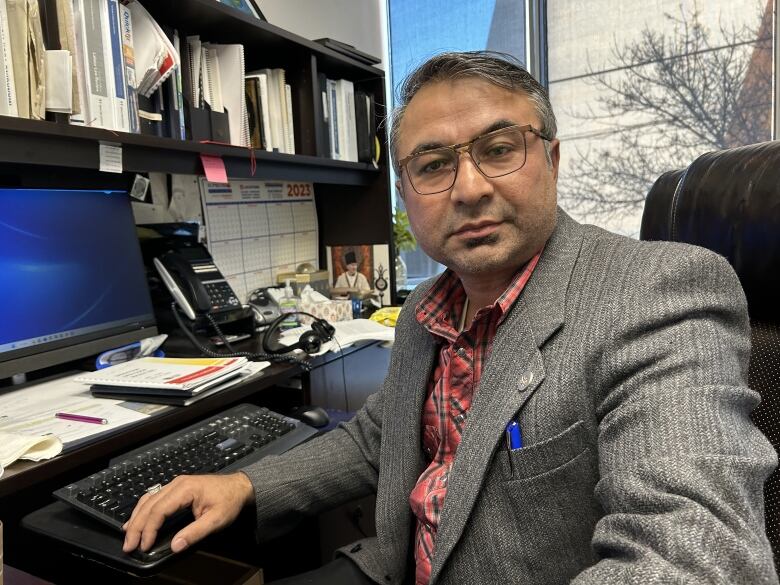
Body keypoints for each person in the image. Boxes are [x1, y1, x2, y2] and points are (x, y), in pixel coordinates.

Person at [122, 51, 778, 584]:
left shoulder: (657, 294)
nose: (467, 188)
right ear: (407, 192)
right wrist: (244, 481)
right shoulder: (427, 312)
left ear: (551, 160)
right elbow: (378, 441)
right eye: (434, 165)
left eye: (499, 148)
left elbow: (696, 559)